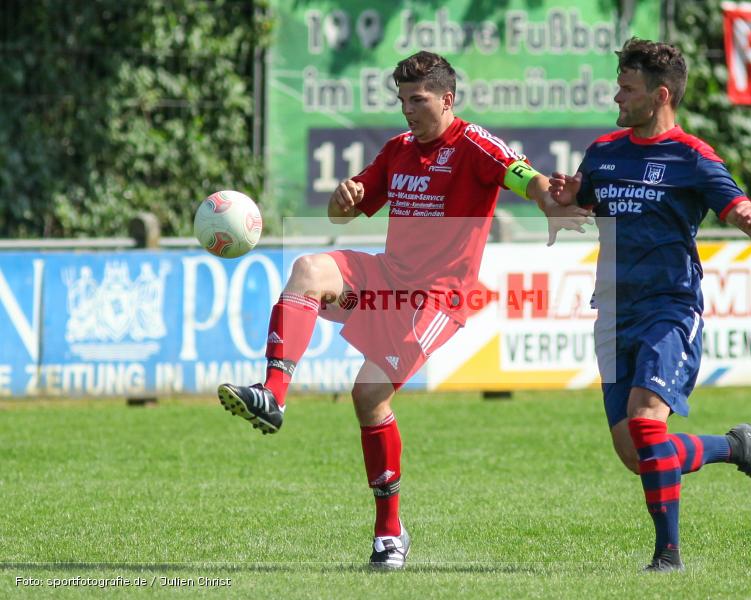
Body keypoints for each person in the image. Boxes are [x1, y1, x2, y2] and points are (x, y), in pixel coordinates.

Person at [218, 50, 592, 570]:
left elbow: (520, 175)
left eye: (417, 100)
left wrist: (549, 201)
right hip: (387, 280)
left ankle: (389, 533)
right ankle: (273, 396)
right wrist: (341, 198)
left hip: (435, 298)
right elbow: (342, 213)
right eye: (402, 101)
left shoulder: (473, 143)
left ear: (447, 98)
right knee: (307, 269)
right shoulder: (397, 150)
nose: (408, 111)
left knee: (367, 394)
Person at [550, 38, 751, 572]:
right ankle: (734, 447)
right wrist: (566, 196)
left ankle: (668, 556)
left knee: (647, 423)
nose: (616, 97)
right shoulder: (605, 151)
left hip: (670, 308)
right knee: (637, 455)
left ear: (659, 95)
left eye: (626, 89)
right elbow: (580, 202)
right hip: (612, 312)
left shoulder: (694, 158)